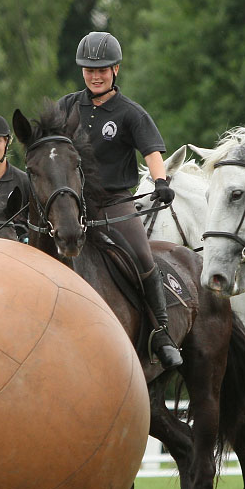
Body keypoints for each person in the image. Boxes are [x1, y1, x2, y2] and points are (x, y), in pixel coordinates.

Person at [57, 31, 182, 369]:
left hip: (114, 202)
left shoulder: (130, 113)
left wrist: (160, 180)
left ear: (116, 70)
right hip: (71, 202)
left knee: (143, 254)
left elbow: (152, 151)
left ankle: (161, 332)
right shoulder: (67, 106)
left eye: (102, 70)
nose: (95, 76)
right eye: (89, 70)